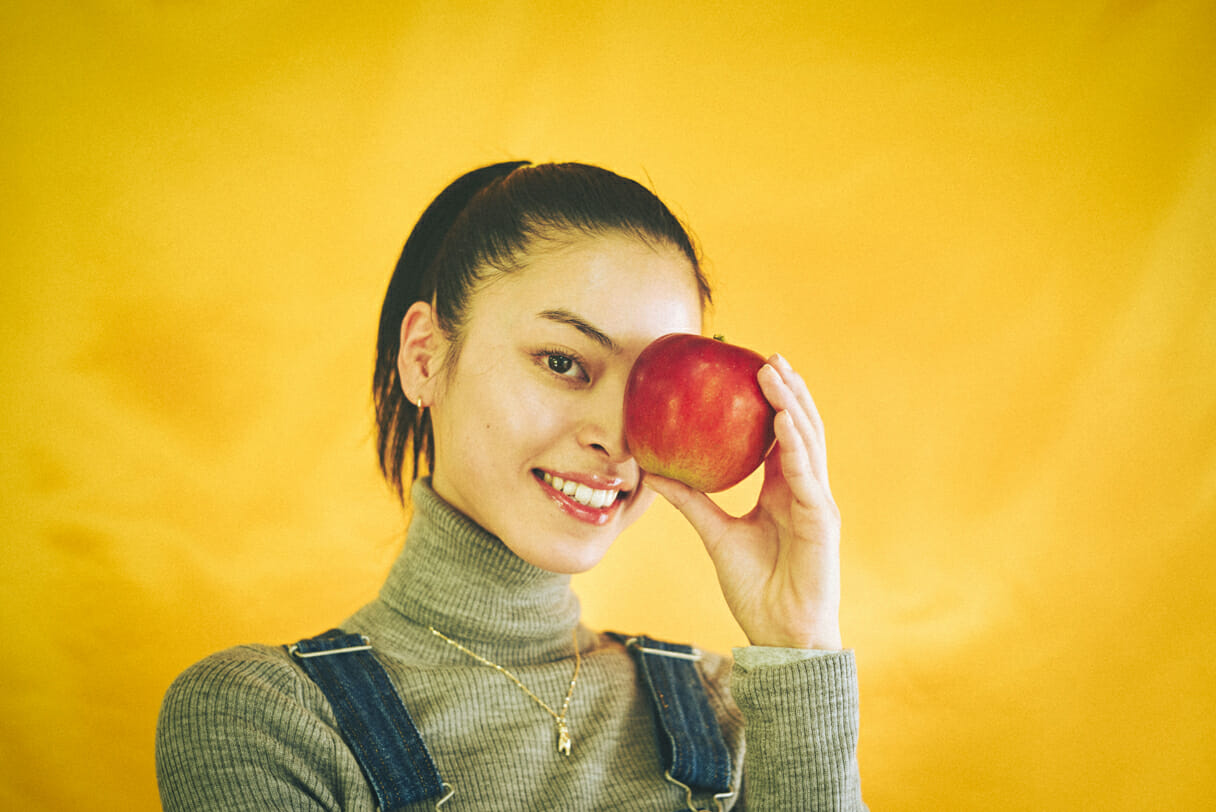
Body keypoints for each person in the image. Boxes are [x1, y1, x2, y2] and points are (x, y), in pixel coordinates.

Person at [155, 161, 866, 810]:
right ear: (425, 357)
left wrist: (799, 645)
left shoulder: (733, 712)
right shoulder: (265, 719)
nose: (615, 437)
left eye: (653, 386)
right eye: (562, 361)